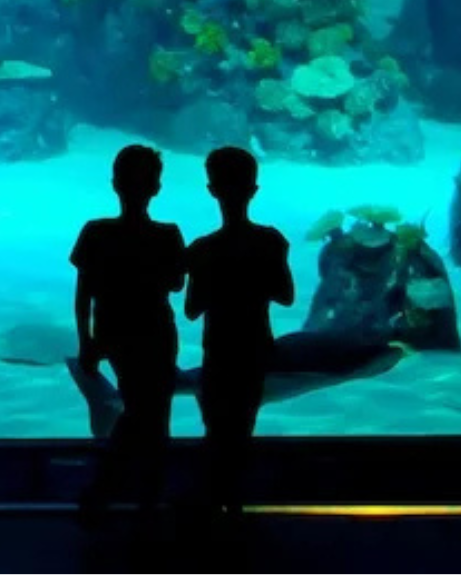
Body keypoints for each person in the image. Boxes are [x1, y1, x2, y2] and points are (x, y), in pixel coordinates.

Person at [70, 142, 188, 521]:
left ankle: (114, 494)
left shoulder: (96, 232)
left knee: (142, 414)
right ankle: (127, 497)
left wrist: (87, 340)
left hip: (113, 335)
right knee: (152, 417)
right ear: (157, 187)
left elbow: (83, 293)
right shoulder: (168, 234)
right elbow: (176, 284)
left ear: (114, 184)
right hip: (154, 334)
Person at [182, 145, 293, 518]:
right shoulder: (271, 240)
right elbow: (287, 295)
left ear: (211, 189)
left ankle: (212, 506)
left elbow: (192, 309)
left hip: (219, 350)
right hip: (255, 348)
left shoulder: (201, 249)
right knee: (242, 428)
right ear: (254, 190)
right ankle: (235, 507)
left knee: (216, 430)